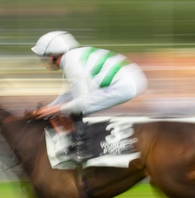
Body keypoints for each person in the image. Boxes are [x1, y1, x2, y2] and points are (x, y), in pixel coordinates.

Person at [30, 31, 148, 161]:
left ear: (52, 56)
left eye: (44, 58)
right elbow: (67, 96)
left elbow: (80, 103)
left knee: (74, 108)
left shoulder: (72, 64)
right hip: (132, 80)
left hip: (127, 85)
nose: (44, 62)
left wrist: (52, 110)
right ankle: (78, 145)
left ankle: (81, 149)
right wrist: (48, 108)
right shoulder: (72, 58)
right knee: (68, 108)